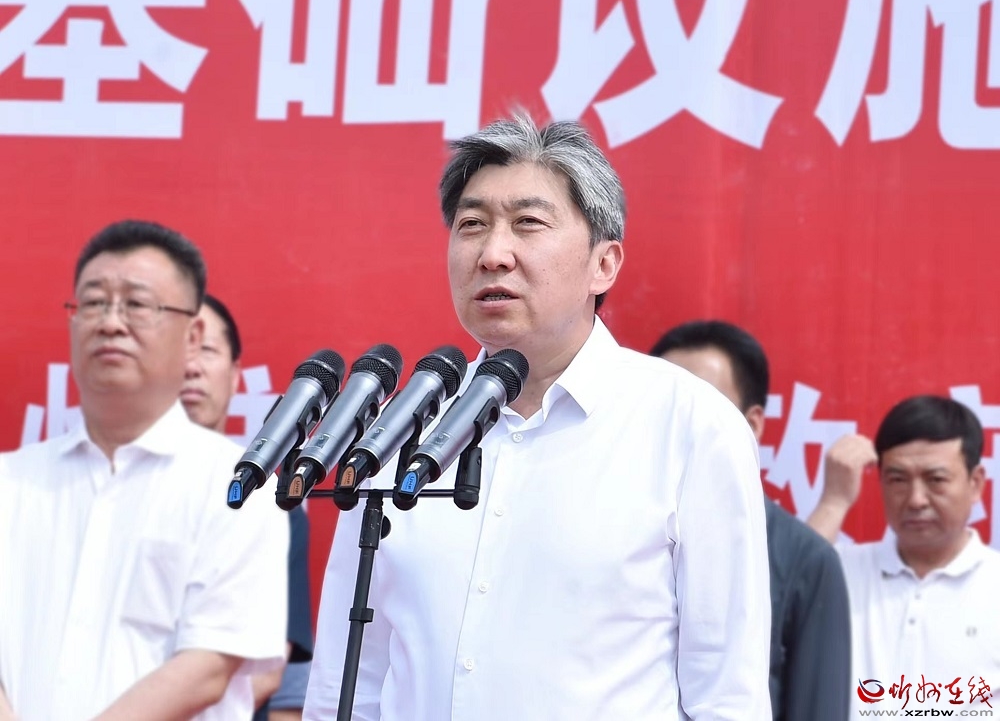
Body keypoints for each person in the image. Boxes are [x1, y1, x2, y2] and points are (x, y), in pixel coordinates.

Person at [304, 115, 771, 720]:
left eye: (528, 223)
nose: (492, 254)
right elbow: (347, 682)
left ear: (604, 264)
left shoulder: (690, 426)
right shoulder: (398, 430)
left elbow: (726, 695)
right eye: (472, 225)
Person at [0, 220, 288, 720]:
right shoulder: (11, 481)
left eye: (136, 304)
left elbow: (207, 668)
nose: (111, 323)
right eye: (94, 303)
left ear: (192, 335)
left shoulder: (238, 485)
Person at [651, 320, 850, 721]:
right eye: (665, 411)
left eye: (702, 410)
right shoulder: (605, 526)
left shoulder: (806, 558)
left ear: (752, 424)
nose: (678, 427)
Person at [810, 396, 999, 715]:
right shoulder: (840, 570)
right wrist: (833, 501)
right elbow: (771, 612)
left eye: (936, 480)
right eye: (898, 479)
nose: (916, 500)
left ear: (976, 483)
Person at [182, 294, 315, 721]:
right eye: (178, 348)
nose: (191, 367)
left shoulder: (270, 502)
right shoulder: (106, 485)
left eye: (206, 349)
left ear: (236, 373)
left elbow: (276, 680)